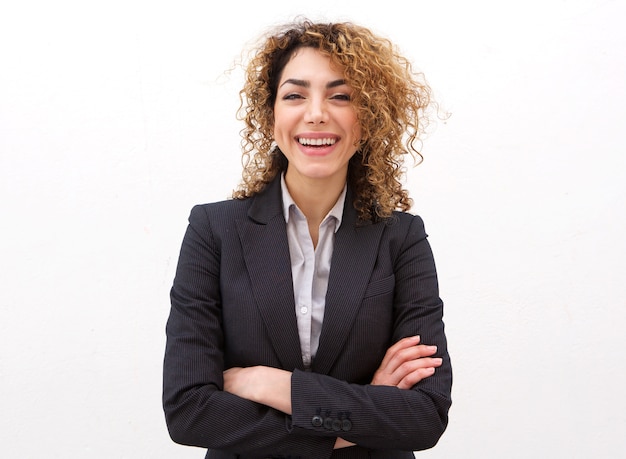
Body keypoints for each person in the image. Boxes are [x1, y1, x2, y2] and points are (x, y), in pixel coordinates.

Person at [163, 19, 452, 459]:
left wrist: (271, 385)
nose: (316, 113)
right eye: (295, 95)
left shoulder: (401, 238)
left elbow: (425, 416)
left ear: (369, 117)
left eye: (340, 96)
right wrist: (362, 413)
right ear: (271, 113)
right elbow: (189, 411)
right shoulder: (213, 231)